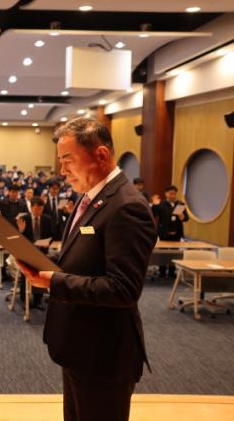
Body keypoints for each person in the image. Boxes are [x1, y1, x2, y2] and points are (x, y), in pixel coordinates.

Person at [21, 118, 156, 421]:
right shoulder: (91, 198)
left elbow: (123, 289)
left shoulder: (126, 206)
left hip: (104, 355)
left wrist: (54, 282)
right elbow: (84, 256)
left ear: (101, 155)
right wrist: (44, 262)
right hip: (80, 347)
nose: (62, 170)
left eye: (67, 159)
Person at [16, 197, 53, 309]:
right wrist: (21, 231)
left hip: (42, 251)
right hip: (27, 253)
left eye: (40, 209)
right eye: (36, 209)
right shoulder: (23, 219)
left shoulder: (47, 219)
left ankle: (38, 300)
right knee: (26, 274)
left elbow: (52, 235)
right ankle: (25, 299)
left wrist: (48, 243)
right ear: (31, 208)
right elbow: (16, 239)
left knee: (41, 275)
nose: (38, 212)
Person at [151, 185, 189, 278]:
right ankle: (162, 271)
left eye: (174, 194)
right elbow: (153, 214)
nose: (173, 196)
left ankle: (172, 272)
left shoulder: (180, 204)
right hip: (164, 233)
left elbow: (186, 218)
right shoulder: (161, 204)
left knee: (174, 253)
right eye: (171, 194)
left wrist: (183, 217)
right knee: (163, 253)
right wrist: (155, 205)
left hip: (176, 233)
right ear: (166, 194)